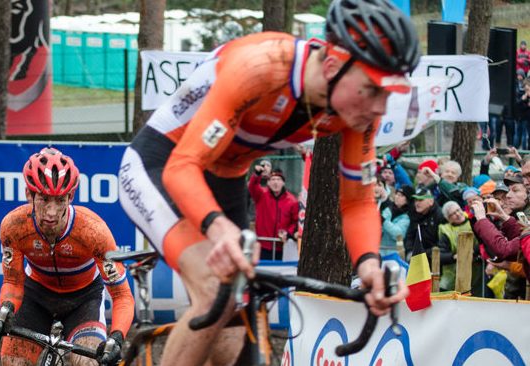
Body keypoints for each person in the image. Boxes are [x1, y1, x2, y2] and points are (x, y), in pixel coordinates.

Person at [116, 0, 418, 364]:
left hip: (225, 177)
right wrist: (217, 227)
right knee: (216, 292)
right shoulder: (260, 67)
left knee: (235, 319)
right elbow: (182, 166)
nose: (380, 108)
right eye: (372, 89)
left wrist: (368, 265)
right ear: (334, 65)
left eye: (389, 93)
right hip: (161, 165)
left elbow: (357, 202)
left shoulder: (354, 112)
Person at [0, 148, 134, 366]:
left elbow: (122, 296)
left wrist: (116, 337)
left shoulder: (93, 231)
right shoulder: (14, 226)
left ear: (70, 196)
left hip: (84, 299)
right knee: (12, 361)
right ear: (29, 195)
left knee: (86, 362)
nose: (51, 212)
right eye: (43, 199)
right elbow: (12, 282)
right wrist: (6, 308)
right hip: (36, 296)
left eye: (60, 200)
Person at [248, 168, 299, 260]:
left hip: (282, 245)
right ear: (268, 183)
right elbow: (252, 186)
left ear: (283, 183)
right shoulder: (261, 195)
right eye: (273, 179)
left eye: (279, 180)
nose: (276, 183)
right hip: (263, 244)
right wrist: (256, 175)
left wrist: (288, 233)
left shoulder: (292, 201)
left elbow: (296, 222)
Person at [437, 201, 474, 291]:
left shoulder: (473, 221)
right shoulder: (446, 230)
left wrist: (473, 251)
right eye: (453, 214)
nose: (458, 214)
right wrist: (454, 256)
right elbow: (441, 255)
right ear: (448, 219)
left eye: (458, 210)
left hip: (475, 267)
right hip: (453, 270)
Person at [404, 187, 443, 261]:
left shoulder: (439, 215)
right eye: (416, 200)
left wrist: (423, 254)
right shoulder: (414, 214)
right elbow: (410, 236)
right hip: (417, 257)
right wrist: (409, 251)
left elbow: (441, 243)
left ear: (431, 201)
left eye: (420, 200)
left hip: (435, 258)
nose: (417, 203)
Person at [380, 185, 413, 255]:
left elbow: (398, 234)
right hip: (379, 250)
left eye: (401, 195)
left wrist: (384, 221)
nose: (397, 197)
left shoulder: (407, 217)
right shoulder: (388, 209)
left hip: (394, 253)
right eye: (397, 194)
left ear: (407, 200)